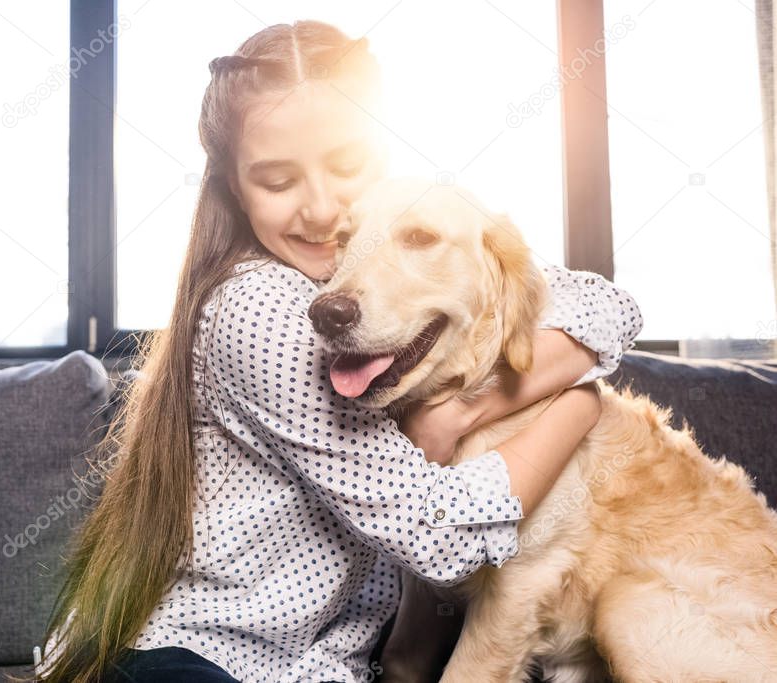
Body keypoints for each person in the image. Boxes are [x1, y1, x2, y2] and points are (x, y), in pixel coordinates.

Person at [33, 20, 643, 683]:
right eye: (276, 179)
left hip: (311, 667)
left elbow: (606, 306)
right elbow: (443, 540)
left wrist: (464, 412)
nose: (322, 208)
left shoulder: (376, 259)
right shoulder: (261, 308)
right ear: (233, 188)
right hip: (191, 658)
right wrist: (576, 405)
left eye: (346, 164)